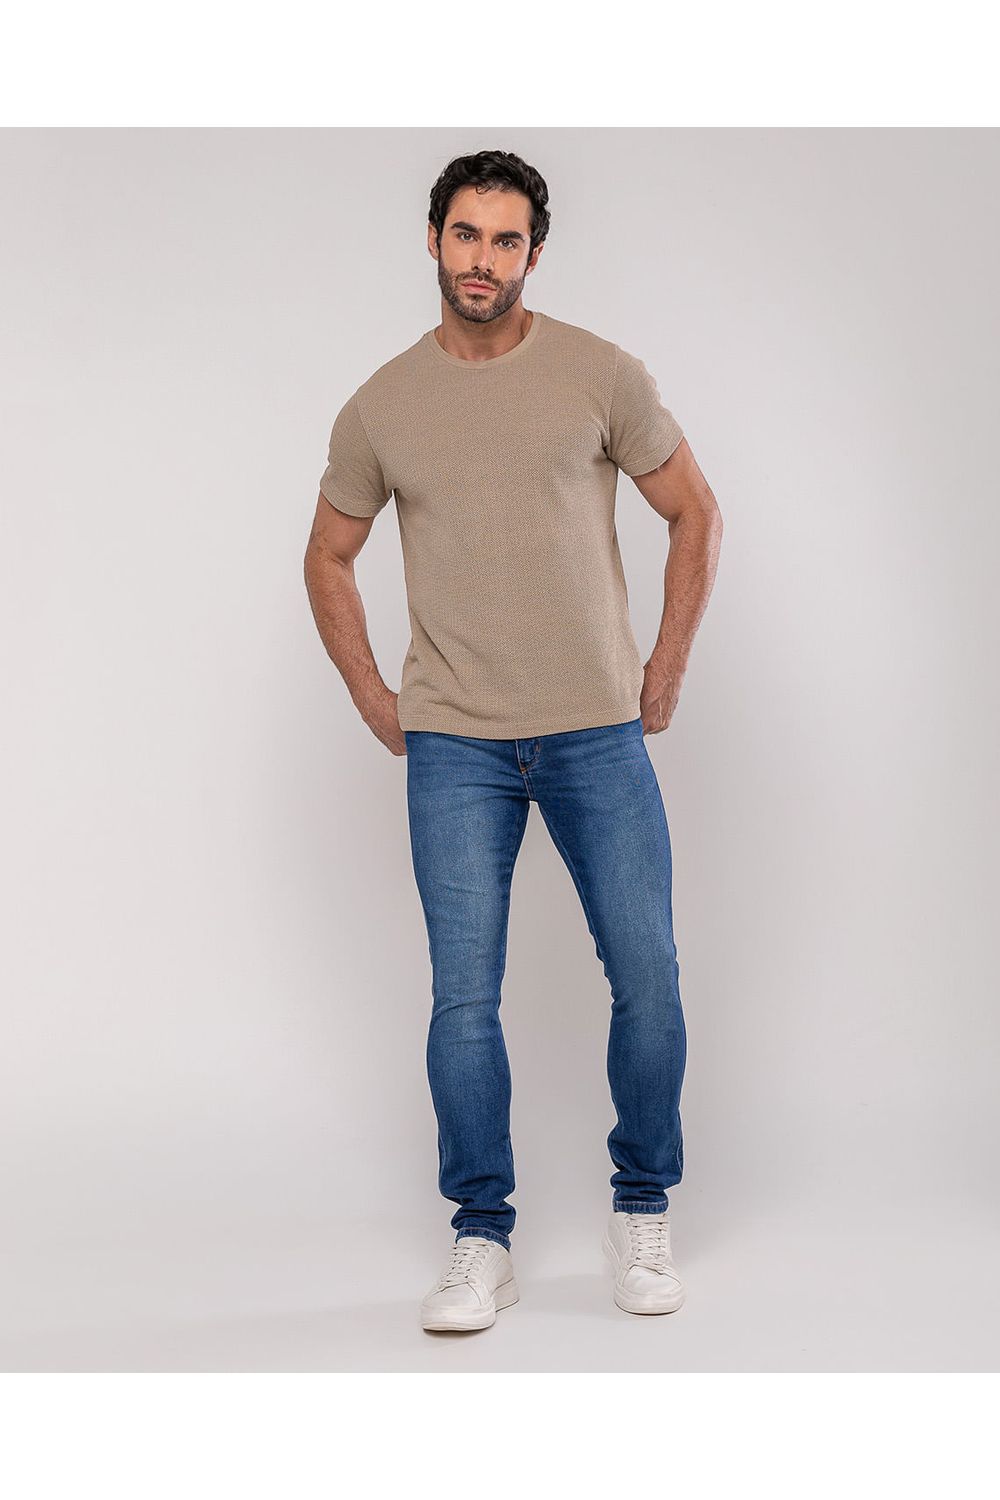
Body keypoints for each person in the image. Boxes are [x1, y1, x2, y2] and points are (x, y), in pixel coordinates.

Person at [303, 148, 723, 1330]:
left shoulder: (599, 374)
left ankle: (640, 1207)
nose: (481, 259)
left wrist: (664, 667)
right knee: (462, 1002)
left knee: (647, 978)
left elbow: (693, 509)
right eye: (465, 234)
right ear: (432, 239)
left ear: (533, 252)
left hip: (595, 732)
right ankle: (480, 1235)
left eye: (505, 239)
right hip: (456, 746)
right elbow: (327, 554)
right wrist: (373, 694)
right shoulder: (383, 404)